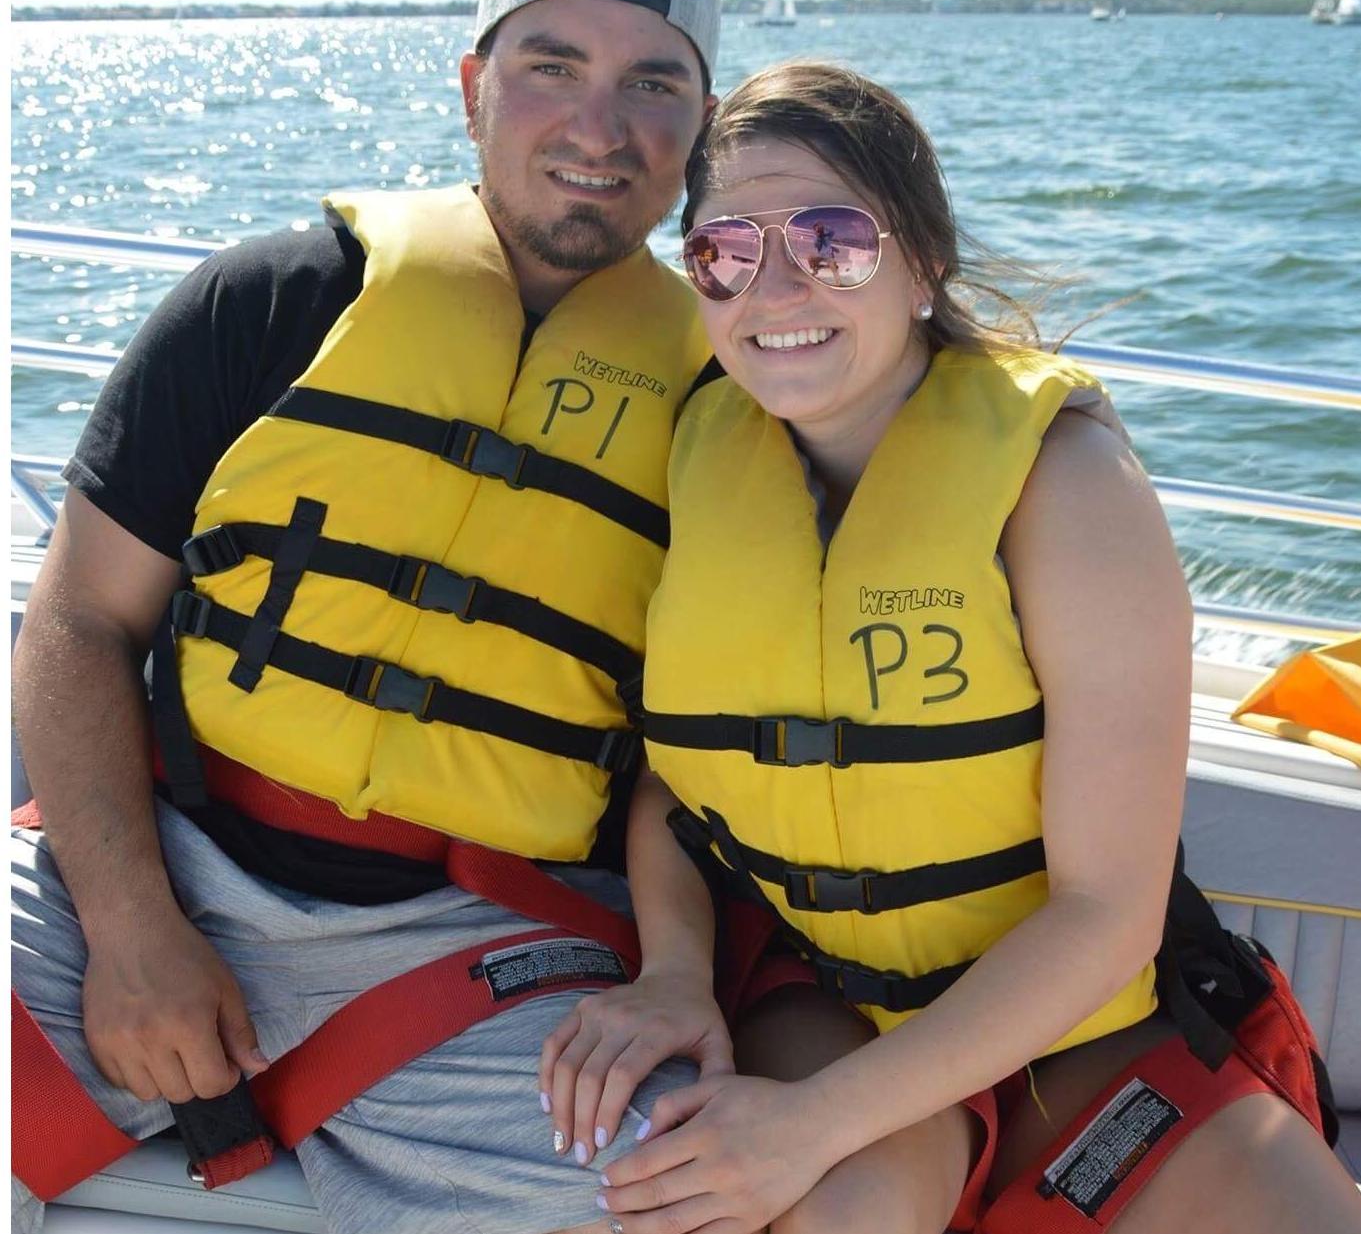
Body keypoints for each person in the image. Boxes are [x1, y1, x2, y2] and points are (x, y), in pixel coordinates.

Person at [539, 62, 1361, 1234]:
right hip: (823, 1000)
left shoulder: (1064, 485)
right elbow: (677, 775)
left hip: (1079, 1025)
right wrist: (672, 970)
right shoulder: (695, 450)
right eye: (725, 250)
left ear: (921, 261)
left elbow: (1105, 913)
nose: (775, 285)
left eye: (831, 240)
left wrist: (812, 1124)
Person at [11, 0, 722, 1234]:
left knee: (689, 1195)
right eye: (550, 65)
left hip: (484, 948)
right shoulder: (264, 305)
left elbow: (695, 768)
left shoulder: (726, 416)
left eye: (653, 84)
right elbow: (77, 626)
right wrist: (134, 928)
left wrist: (677, 976)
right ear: (472, 87)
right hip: (163, 857)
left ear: (700, 129)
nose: (597, 125)